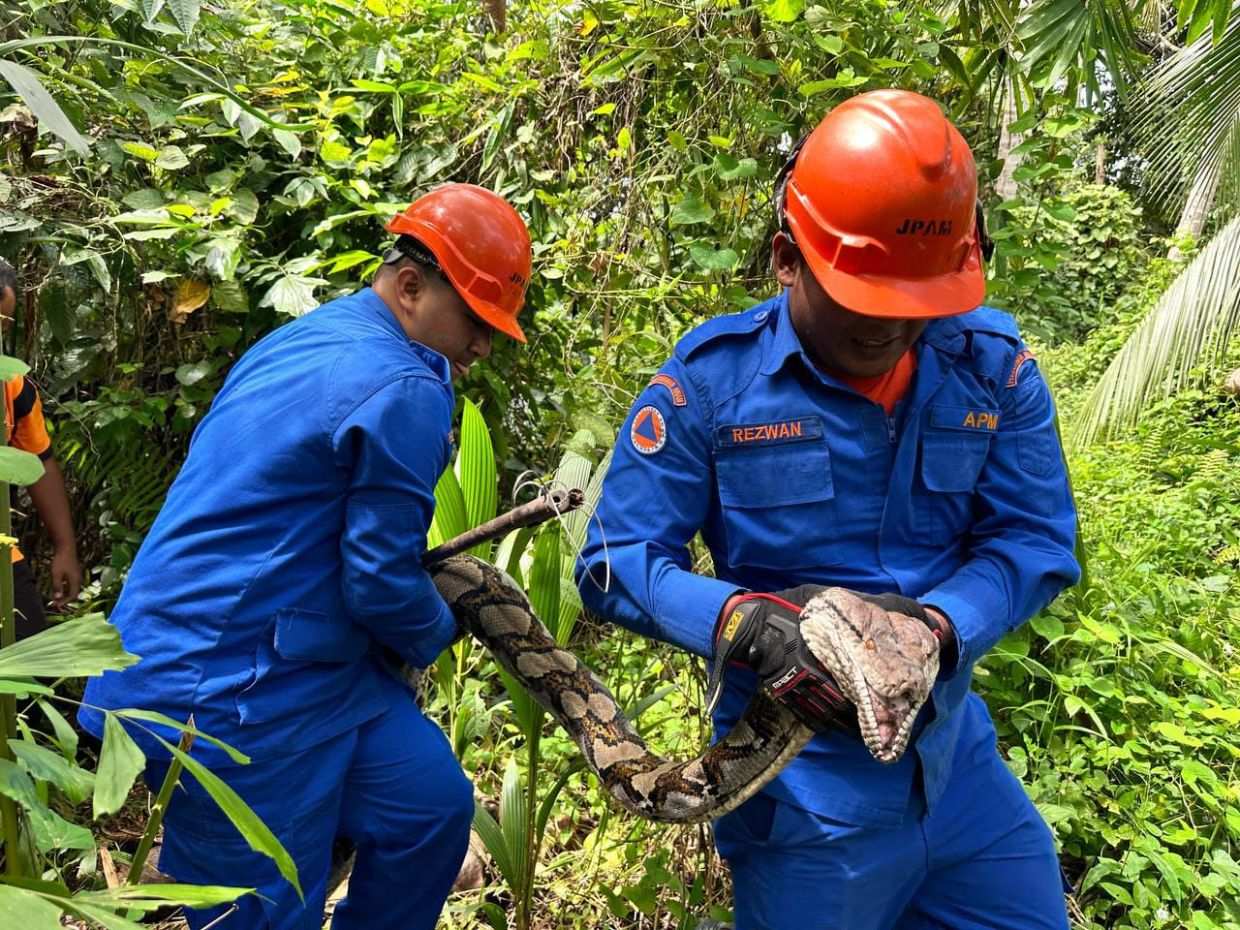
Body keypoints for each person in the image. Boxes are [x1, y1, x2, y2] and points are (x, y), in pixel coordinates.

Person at [577, 89, 1080, 930]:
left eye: (916, 302)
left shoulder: (992, 365)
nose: (890, 327)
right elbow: (614, 560)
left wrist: (938, 629)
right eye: (863, 296)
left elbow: (1030, 538)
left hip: (955, 765)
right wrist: (744, 623)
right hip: (803, 794)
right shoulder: (711, 383)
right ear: (785, 257)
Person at [79, 184, 533, 930]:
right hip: (229, 685)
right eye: (477, 322)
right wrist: (440, 631)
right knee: (264, 911)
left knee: (430, 809)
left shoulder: (317, 331)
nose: (483, 346)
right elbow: (382, 579)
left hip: (309, 667)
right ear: (412, 288)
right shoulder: (404, 383)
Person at [0, 258, 81, 637]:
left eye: (2, 324)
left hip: (3, 556)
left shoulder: (12, 384)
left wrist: (65, 546)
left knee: (32, 676)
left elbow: (39, 459)